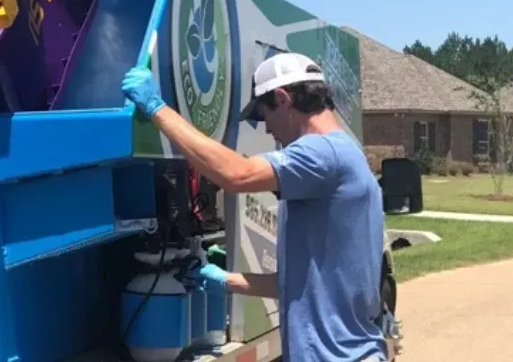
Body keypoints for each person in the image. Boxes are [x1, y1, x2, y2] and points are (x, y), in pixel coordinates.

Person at [121, 52, 388, 362]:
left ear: (283, 98)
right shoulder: (345, 154)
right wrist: (223, 279)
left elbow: (236, 174)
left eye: (264, 115)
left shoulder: (323, 152)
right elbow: (294, 286)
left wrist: (156, 108)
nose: (267, 130)